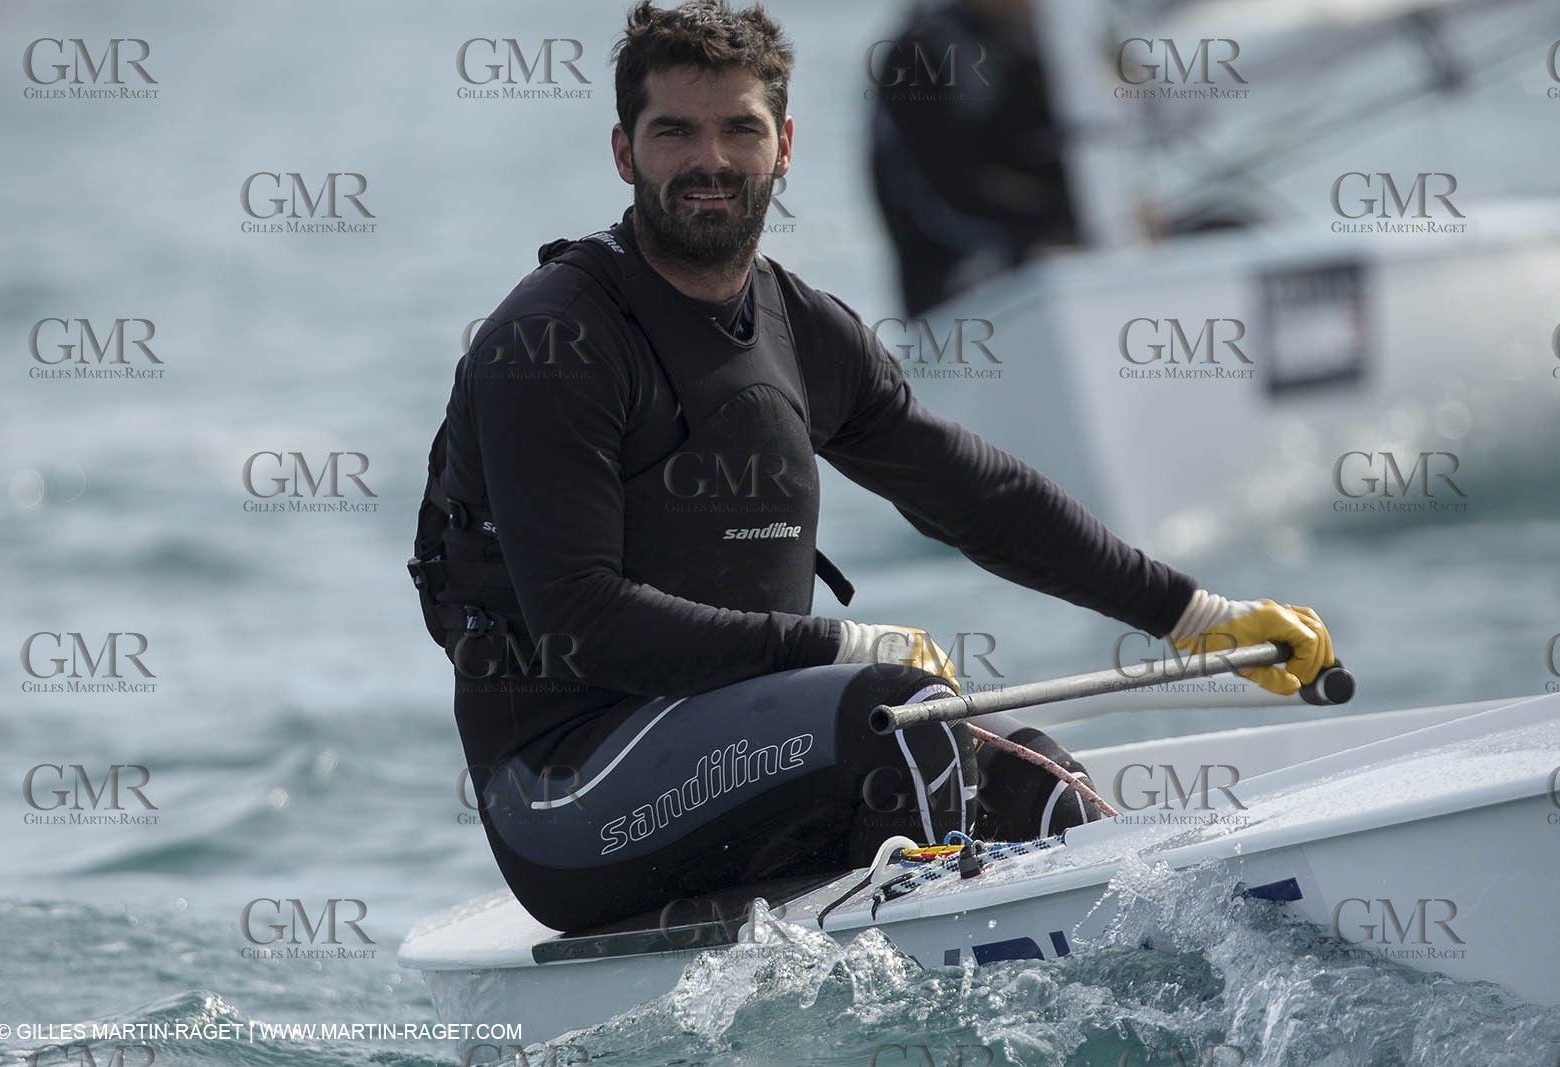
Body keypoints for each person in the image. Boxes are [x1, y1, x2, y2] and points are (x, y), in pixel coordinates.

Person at [410, 0, 1333, 934]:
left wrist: (1194, 615)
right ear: (623, 151)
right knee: (902, 717)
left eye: (740, 129)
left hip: (747, 748)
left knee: (1040, 787)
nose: (710, 160)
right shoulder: (552, 343)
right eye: (674, 132)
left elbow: (980, 496)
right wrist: (840, 645)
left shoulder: (807, 329)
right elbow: (584, 620)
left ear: (784, 147)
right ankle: (917, 989)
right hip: (568, 794)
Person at [868, 0, 1079, 316]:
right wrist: (1042, 239)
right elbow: (943, 197)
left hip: (1054, 263)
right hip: (957, 294)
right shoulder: (919, 55)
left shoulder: (1043, 44)